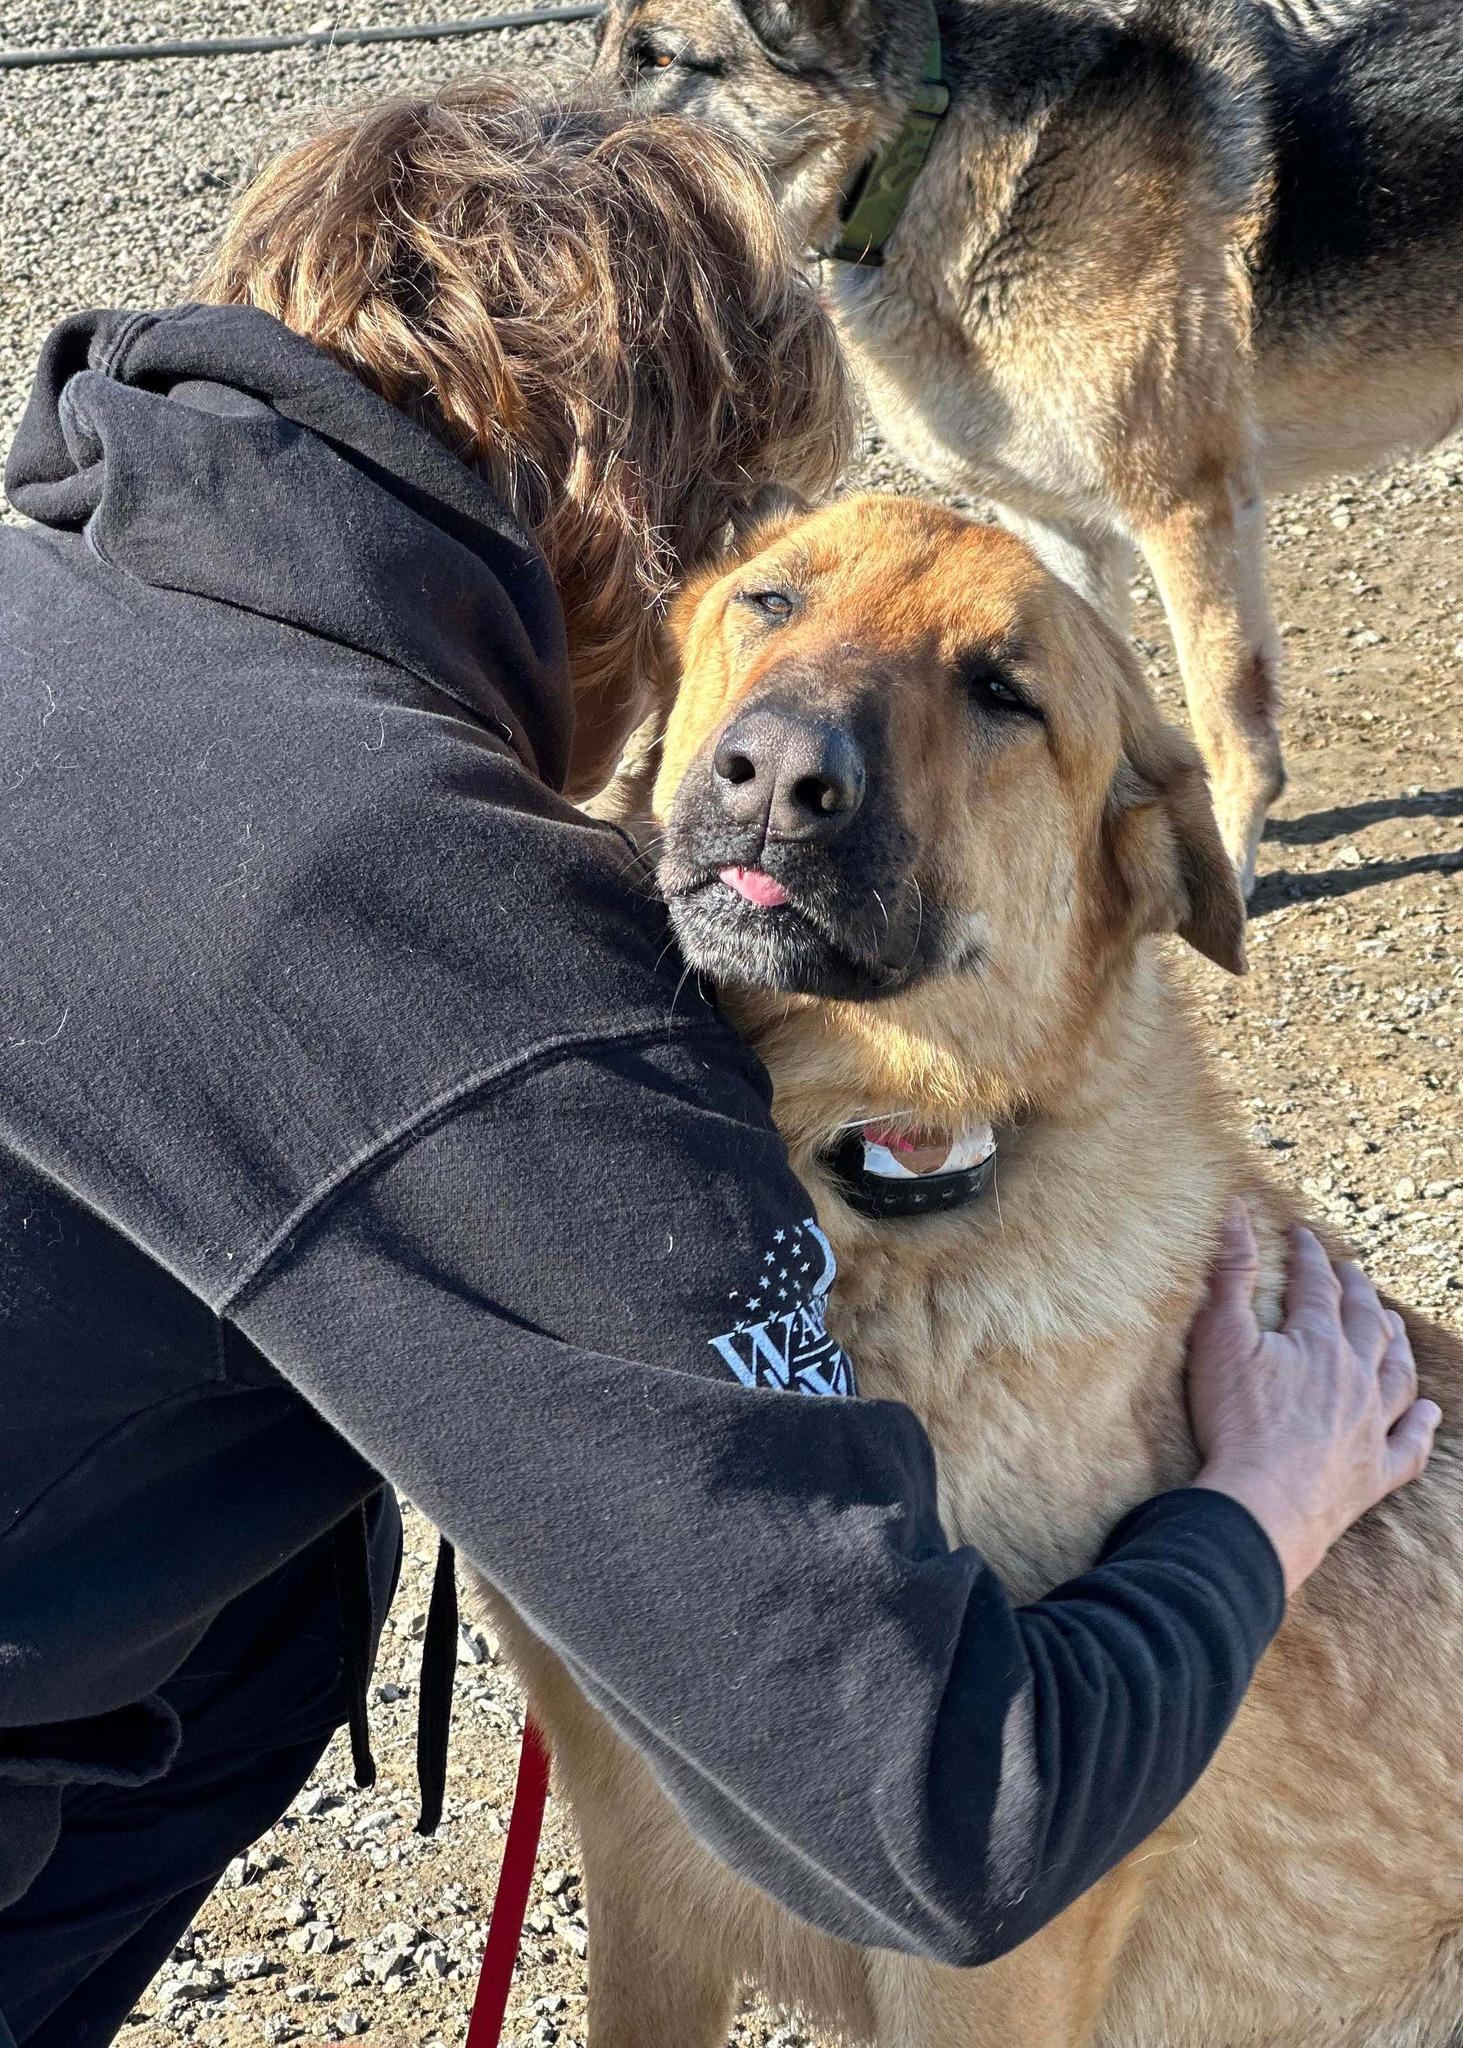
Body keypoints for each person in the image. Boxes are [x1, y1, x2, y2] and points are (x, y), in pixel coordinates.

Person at [0, 79, 1437, 2048]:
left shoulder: (53, 585)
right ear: (633, 541)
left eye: (992, 692)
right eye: (753, 584)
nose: (786, 734)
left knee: (264, 1592)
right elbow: (950, 1818)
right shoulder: (458, 959)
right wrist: (1262, 1508)